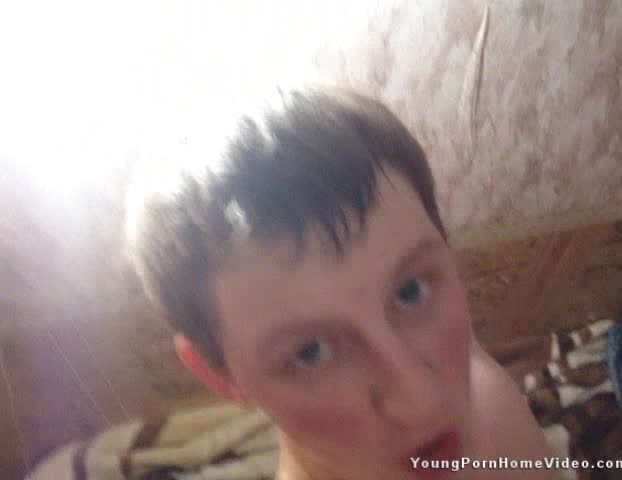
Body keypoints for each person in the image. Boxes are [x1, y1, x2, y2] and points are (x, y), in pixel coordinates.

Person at [125, 87, 552, 479]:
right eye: (311, 353)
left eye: (409, 292)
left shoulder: (474, 386)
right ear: (220, 378)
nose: (421, 401)